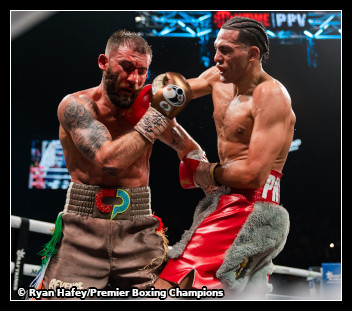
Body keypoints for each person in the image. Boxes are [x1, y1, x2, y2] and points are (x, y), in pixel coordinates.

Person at [29, 30, 202, 297]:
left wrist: (218, 193)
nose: (134, 79)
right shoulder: (77, 106)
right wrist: (158, 117)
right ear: (103, 62)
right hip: (81, 228)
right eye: (126, 67)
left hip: (139, 229)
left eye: (142, 71)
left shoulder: (149, 108)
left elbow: (190, 151)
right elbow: (109, 160)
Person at [154, 17, 296, 296]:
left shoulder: (270, 95)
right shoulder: (217, 78)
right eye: (217, 48)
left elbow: (253, 175)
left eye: (227, 50)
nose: (217, 57)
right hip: (230, 201)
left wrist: (204, 172)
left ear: (253, 54)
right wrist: (146, 92)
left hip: (250, 206)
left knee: (171, 285)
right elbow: (166, 100)